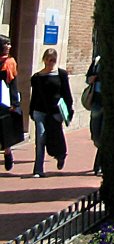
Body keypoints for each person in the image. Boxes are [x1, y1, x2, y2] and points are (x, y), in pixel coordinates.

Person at [29, 48, 74, 177]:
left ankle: (60, 155)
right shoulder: (37, 77)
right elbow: (35, 96)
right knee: (40, 139)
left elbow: (67, 94)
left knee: (56, 136)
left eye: (54, 60)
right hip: (40, 111)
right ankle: (38, 169)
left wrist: (68, 111)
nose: (51, 63)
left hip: (56, 112)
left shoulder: (61, 74)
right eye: (49, 60)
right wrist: (31, 112)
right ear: (44, 60)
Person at [1, 36, 22, 172]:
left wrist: (15, 103)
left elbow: (14, 84)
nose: (9, 47)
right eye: (6, 44)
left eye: (9, 44)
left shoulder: (10, 63)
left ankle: (8, 153)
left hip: (5, 101)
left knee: (5, 128)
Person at [86, 54, 102, 175]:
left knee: (103, 135)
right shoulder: (97, 61)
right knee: (95, 135)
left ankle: (99, 165)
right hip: (96, 102)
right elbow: (88, 78)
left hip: (109, 103)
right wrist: (92, 78)